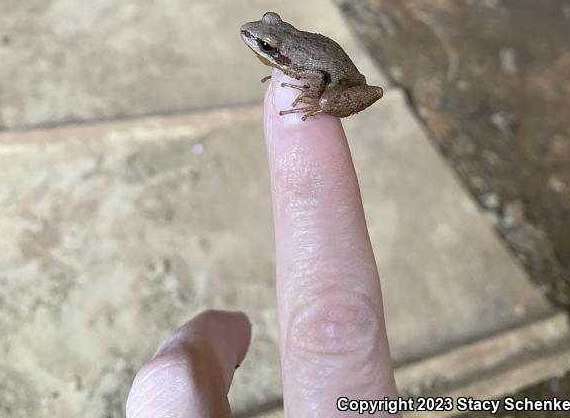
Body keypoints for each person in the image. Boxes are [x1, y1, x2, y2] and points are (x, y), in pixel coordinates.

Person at [126, 68, 398, 417]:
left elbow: (315, 74)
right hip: (328, 69)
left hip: (339, 81)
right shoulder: (289, 61)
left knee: (335, 329)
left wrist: (315, 99)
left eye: (269, 47)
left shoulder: (303, 67)